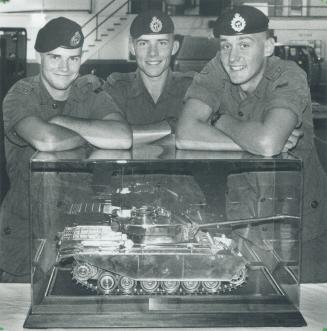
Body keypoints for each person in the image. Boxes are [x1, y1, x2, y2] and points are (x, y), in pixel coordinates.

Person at [176, 6, 327, 283]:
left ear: (269, 46)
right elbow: (185, 133)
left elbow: (268, 143)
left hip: (300, 224)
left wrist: (219, 119)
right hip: (245, 221)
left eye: (245, 44)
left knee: (303, 312)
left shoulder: (288, 75)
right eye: (226, 45)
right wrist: (251, 141)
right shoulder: (218, 68)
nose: (233, 57)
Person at [0, 17, 132, 282]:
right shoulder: (21, 94)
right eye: (55, 57)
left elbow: (122, 137)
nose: (65, 67)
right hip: (25, 236)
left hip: (78, 233)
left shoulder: (89, 94)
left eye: (73, 58)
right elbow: (46, 141)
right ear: (39, 57)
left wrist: (62, 122)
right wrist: (93, 136)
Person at [104, 10, 194, 144]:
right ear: (132, 48)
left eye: (162, 43)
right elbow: (109, 135)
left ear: (174, 47)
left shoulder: (191, 87)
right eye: (143, 43)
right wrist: (170, 127)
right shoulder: (118, 87)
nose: (153, 53)